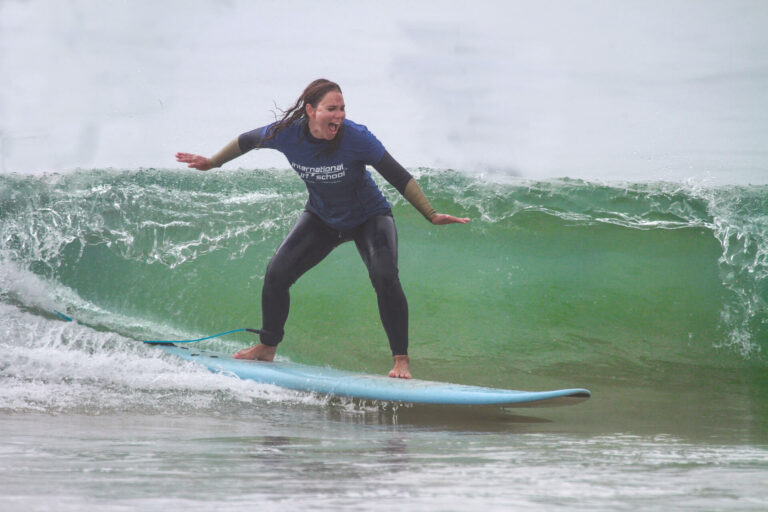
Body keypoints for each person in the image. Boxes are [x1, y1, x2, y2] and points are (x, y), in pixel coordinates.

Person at [176, 79, 469, 378]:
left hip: (369, 217)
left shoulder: (357, 137)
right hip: (322, 217)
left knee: (384, 276)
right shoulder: (286, 133)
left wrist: (430, 214)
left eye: (342, 108)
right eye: (332, 109)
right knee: (277, 274)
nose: (339, 115)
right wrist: (213, 162)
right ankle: (267, 346)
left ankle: (401, 361)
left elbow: (397, 175)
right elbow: (246, 140)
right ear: (311, 111)